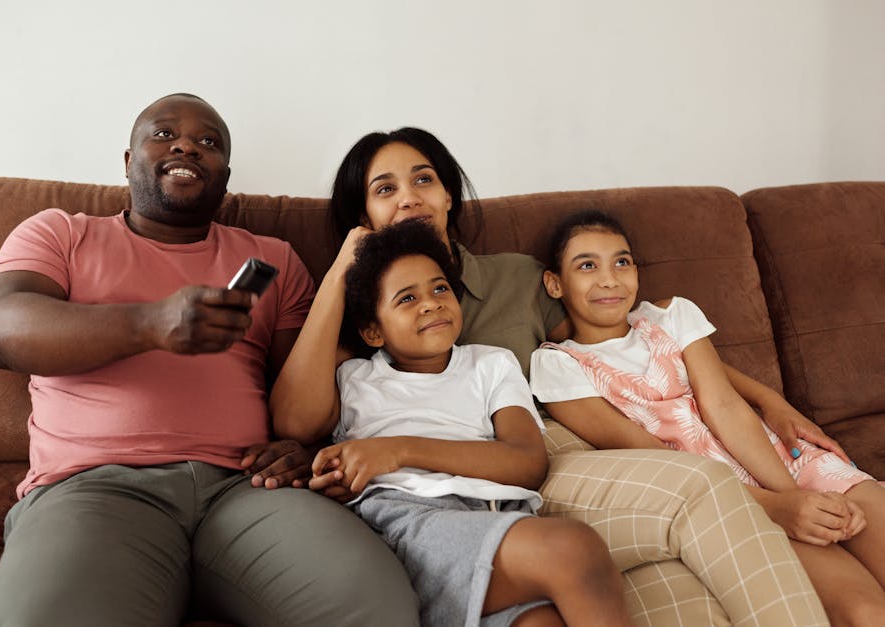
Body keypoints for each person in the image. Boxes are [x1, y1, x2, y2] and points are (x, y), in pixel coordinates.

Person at [271, 126, 830, 625]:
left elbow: (629, 331)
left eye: (423, 178)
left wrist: (764, 397)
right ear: (363, 216)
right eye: (385, 188)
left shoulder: (517, 277)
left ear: (448, 195)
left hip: (552, 443)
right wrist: (346, 267)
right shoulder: (362, 321)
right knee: (679, 553)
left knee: (690, 551)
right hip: (453, 493)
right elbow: (297, 420)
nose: (410, 196)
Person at [0, 93, 418, 627]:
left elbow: (303, 391)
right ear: (127, 161)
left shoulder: (271, 259)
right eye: (163, 134)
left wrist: (305, 448)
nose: (187, 144)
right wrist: (150, 324)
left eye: (209, 143)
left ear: (224, 179)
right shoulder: (61, 233)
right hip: (94, 488)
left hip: (248, 489)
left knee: (375, 608)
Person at [529, 209, 885, 626]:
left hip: (783, 463)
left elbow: (726, 407)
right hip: (728, 504)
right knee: (866, 612)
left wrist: (798, 497)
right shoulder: (558, 366)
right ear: (555, 283)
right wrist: (778, 507)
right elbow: (653, 461)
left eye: (621, 262)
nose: (609, 279)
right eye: (587, 265)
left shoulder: (670, 316)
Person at [307, 218, 633, 626]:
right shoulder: (354, 376)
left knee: (541, 622)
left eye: (440, 288)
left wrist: (398, 449)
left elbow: (528, 463)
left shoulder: (492, 363)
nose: (431, 303)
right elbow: (295, 424)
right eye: (407, 299)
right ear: (373, 331)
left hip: (498, 514)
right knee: (573, 549)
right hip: (408, 521)